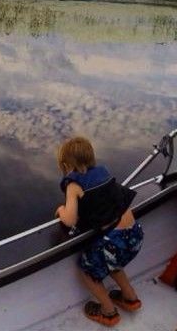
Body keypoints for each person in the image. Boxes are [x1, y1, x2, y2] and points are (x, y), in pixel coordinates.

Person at [55, 136, 144, 327]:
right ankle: (130, 298)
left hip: (114, 241)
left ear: (65, 165)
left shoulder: (73, 185)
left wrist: (62, 211)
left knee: (89, 272)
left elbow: (70, 220)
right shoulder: (103, 172)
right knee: (113, 262)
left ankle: (108, 312)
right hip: (135, 234)